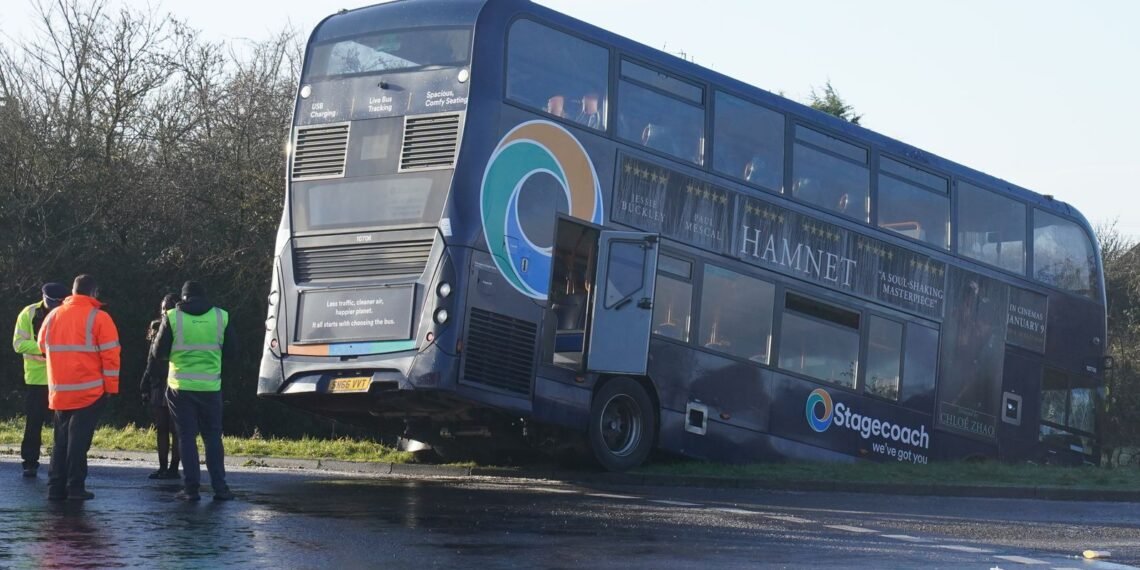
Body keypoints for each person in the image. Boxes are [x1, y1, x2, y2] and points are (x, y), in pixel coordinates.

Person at [144, 280, 236, 501]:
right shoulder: (221, 316)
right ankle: (220, 488)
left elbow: (158, 353)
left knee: (186, 437)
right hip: (211, 387)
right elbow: (232, 353)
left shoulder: (173, 317)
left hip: (181, 387)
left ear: (183, 298)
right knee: (213, 437)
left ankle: (191, 489)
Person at [37, 274, 120, 501]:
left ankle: (55, 487)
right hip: (89, 391)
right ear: (94, 292)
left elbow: (41, 345)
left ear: (72, 292)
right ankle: (75, 487)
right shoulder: (99, 318)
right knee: (78, 441)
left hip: (59, 389)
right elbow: (111, 356)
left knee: (60, 440)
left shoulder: (53, 315)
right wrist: (111, 388)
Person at [11, 282, 70, 478]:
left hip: (61, 377)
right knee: (34, 422)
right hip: (37, 379)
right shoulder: (28, 313)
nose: (54, 305)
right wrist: (44, 348)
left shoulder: (66, 312)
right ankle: (29, 462)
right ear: (43, 297)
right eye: (51, 302)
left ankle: (59, 463)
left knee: (61, 424)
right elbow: (18, 344)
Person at [139, 293, 181, 480]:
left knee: (174, 430)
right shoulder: (157, 327)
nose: (165, 311)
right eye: (163, 308)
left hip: (173, 382)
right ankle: (164, 467)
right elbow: (151, 359)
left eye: (168, 308)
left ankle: (172, 468)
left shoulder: (178, 328)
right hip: (159, 384)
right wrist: (145, 383)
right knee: (163, 429)